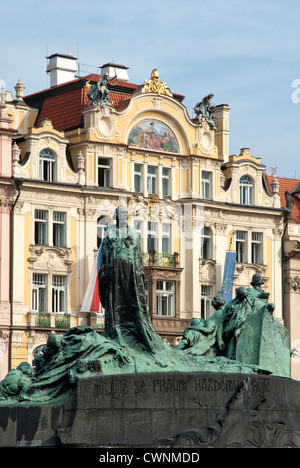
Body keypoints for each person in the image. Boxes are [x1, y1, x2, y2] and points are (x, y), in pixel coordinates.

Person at [99, 206, 163, 353]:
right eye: (120, 214)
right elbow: (105, 254)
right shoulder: (109, 232)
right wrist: (104, 271)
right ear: (115, 216)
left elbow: (137, 254)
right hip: (113, 271)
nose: (122, 216)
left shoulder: (133, 232)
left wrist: (139, 272)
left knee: (131, 299)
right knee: (115, 300)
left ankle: (134, 330)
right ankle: (116, 330)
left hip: (130, 271)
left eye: (124, 214)